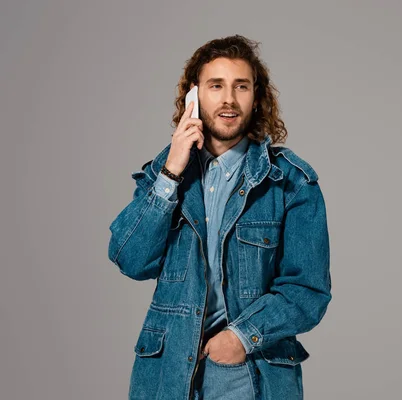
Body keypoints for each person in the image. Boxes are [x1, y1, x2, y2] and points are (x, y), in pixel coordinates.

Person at [107, 34, 332, 400]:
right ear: (194, 96)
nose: (228, 99)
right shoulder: (164, 175)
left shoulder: (291, 181)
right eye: (216, 86)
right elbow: (130, 259)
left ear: (256, 97)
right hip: (167, 373)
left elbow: (308, 290)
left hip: (248, 370)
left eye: (240, 86)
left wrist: (239, 338)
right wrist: (171, 172)